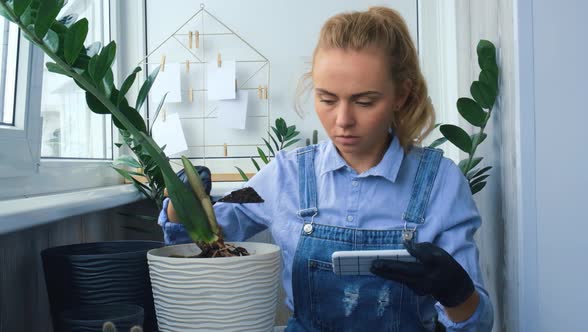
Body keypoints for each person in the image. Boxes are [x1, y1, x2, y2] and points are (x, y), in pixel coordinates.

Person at [159, 6, 494, 332]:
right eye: (327, 99)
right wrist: (180, 205)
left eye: (364, 101)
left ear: (401, 95)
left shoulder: (440, 183)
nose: (342, 120)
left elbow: (475, 323)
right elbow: (206, 236)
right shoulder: (284, 175)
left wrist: (457, 293)